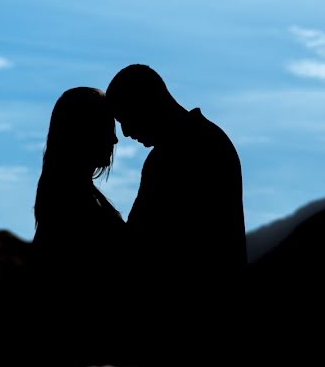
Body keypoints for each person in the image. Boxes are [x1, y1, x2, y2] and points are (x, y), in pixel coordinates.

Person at [106, 64, 247, 271]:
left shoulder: (171, 155)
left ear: (145, 103)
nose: (125, 133)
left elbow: (139, 241)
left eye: (125, 118)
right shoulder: (212, 138)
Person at [32, 86, 126, 284]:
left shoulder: (61, 195)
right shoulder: (71, 203)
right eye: (107, 128)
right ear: (84, 131)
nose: (115, 139)